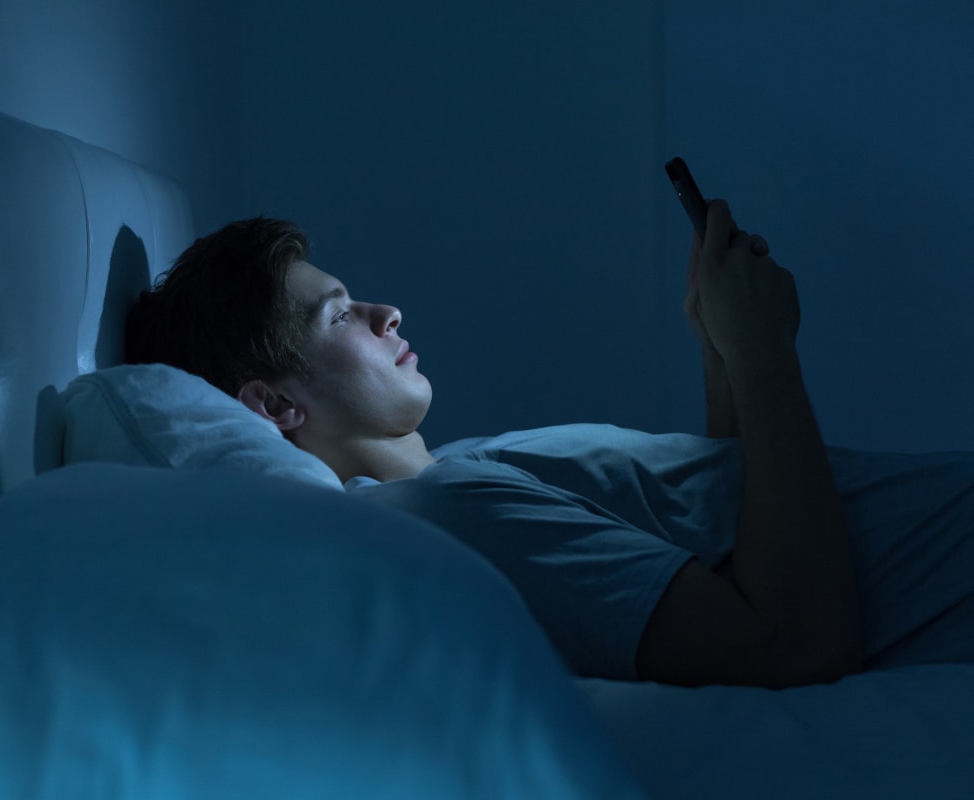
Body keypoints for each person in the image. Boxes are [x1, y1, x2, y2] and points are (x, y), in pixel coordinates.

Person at [126, 204, 974, 689]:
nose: (386, 313)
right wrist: (765, 354)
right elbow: (793, 648)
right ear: (272, 405)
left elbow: (723, 528)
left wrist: (721, 350)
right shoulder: (452, 515)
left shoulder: (470, 469)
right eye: (338, 312)